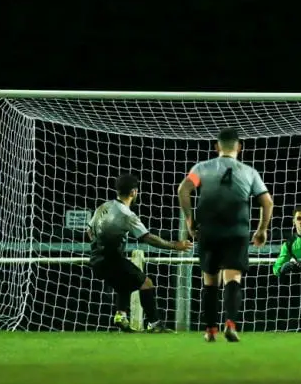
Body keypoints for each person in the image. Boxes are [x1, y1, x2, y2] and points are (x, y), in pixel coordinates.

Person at [178, 127, 274, 343]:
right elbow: (267, 201)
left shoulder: (201, 168)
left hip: (209, 230)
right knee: (233, 278)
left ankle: (210, 330)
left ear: (216, 147)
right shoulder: (250, 172)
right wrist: (262, 229)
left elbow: (183, 190)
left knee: (210, 281)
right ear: (239, 147)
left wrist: (189, 220)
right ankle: (230, 324)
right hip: (237, 231)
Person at [87, 173, 193, 332]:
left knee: (125, 283)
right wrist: (175, 245)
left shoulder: (103, 206)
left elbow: (89, 230)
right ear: (133, 192)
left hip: (95, 259)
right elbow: (148, 238)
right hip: (111, 259)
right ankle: (155, 324)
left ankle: (121, 316)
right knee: (146, 283)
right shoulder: (127, 214)